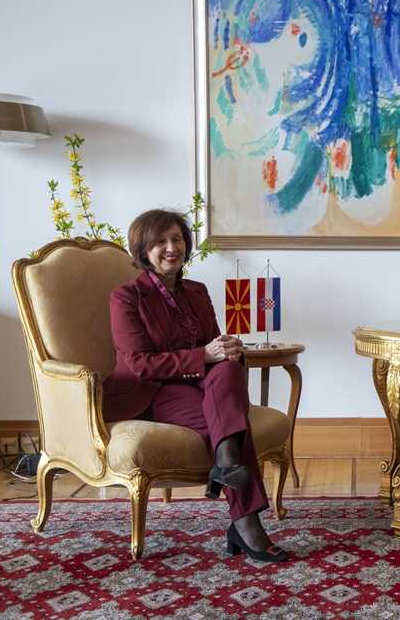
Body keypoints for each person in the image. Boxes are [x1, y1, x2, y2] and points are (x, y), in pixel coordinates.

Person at [104, 209, 288, 563]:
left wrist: (227, 349)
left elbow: (212, 348)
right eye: (160, 242)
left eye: (177, 239)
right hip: (150, 391)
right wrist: (204, 354)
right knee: (231, 425)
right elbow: (139, 364)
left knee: (229, 367)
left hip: (198, 385)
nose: (171, 248)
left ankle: (226, 466)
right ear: (143, 250)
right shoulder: (127, 297)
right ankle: (246, 523)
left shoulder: (197, 291)